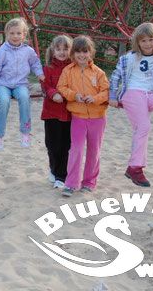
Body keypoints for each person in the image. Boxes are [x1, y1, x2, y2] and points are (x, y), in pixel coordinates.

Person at [109, 22, 153, 187]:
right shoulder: (129, 58)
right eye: (143, 41)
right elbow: (115, 76)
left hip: (151, 94)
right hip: (132, 93)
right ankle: (135, 167)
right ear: (137, 42)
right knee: (143, 126)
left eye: (151, 40)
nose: (148, 44)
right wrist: (112, 95)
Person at [57, 36, 109, 197]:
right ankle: (71, 183)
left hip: (98, 117)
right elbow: (61, 87)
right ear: (73, 53)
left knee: (94, 150)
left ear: (90, 52)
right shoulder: (68, 71)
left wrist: (95, 98)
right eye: (78, 52)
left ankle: (89, 182)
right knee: (76, 150)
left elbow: (106, 91)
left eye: (85, 51)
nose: (81, 55)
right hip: (78, 117)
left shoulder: (98, 72)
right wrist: (74, 95)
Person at [0, 17, 45, 151]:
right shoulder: (2, 51)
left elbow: (35, 63)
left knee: (24, 97)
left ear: (24, 34)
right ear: (7, 34)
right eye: (12, 33)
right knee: (4, 101)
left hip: (20, 84)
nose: (15, 36)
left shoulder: (28, 51)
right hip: (3, 85)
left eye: (18, 33)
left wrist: (39, 73)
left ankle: (25, 132)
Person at [40, 35, 73, 189]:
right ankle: (53, 170)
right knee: (52, 144)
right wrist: (53, 93)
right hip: (51, 112)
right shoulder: (48, 68)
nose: (62, 52)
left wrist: (66, 94)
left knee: (65, 145)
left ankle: (61, 176)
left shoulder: (73, 68)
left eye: (65, 49)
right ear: (52, 51)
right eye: (58, 49)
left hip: (68, 113)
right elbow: (45, 85)